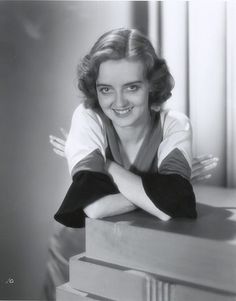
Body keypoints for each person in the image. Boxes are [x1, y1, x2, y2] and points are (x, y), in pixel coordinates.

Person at [44, 28, 218, 299]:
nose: (119, 102)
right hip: (77, 245)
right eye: (106, 89)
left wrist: (106, 166)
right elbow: (95, 207)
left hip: (138, 251)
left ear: (153, 85)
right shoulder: (88, 117)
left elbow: (175, 204)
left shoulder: (175, 125)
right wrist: (163, 189)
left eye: (132, 87)